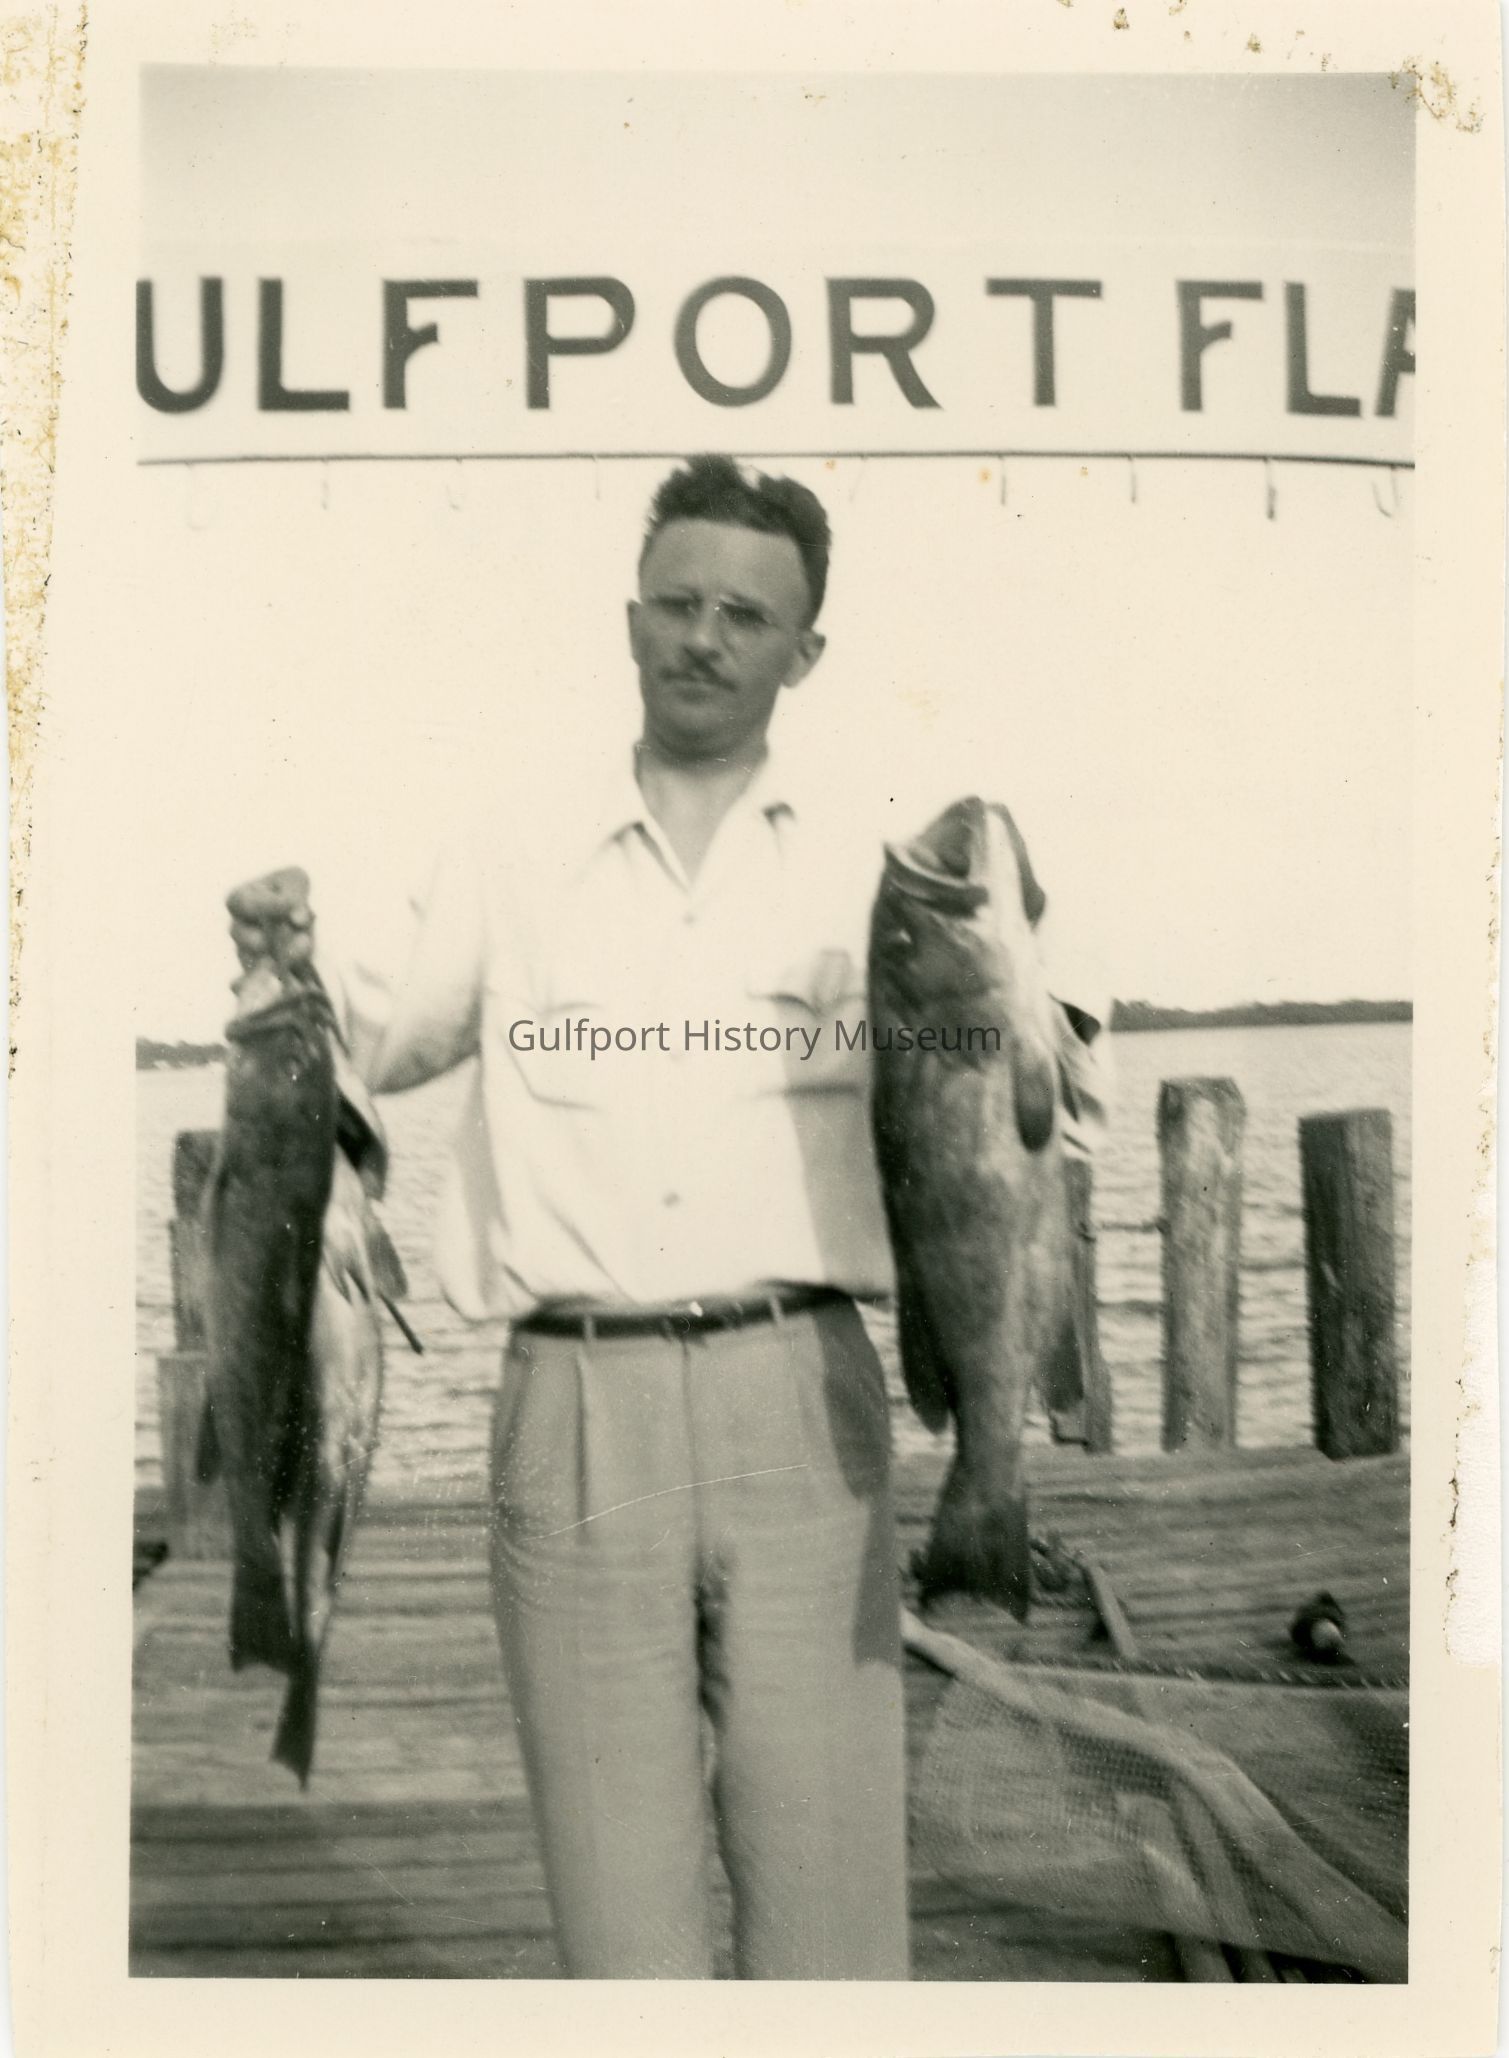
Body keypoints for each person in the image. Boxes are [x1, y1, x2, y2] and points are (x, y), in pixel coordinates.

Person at [230, 454, 1107, 1980]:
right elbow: (370, 1038)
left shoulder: (875, 874)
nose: (704, 637)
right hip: (573, 1409)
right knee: (618, 1924)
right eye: (677, 603)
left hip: (804, 1401)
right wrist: (272, 964)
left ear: (804, 652)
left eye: (746, 616)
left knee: (831, 1920)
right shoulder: (510, 847)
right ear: (629, 619)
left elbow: (1026, 1100)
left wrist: (1026, 989)